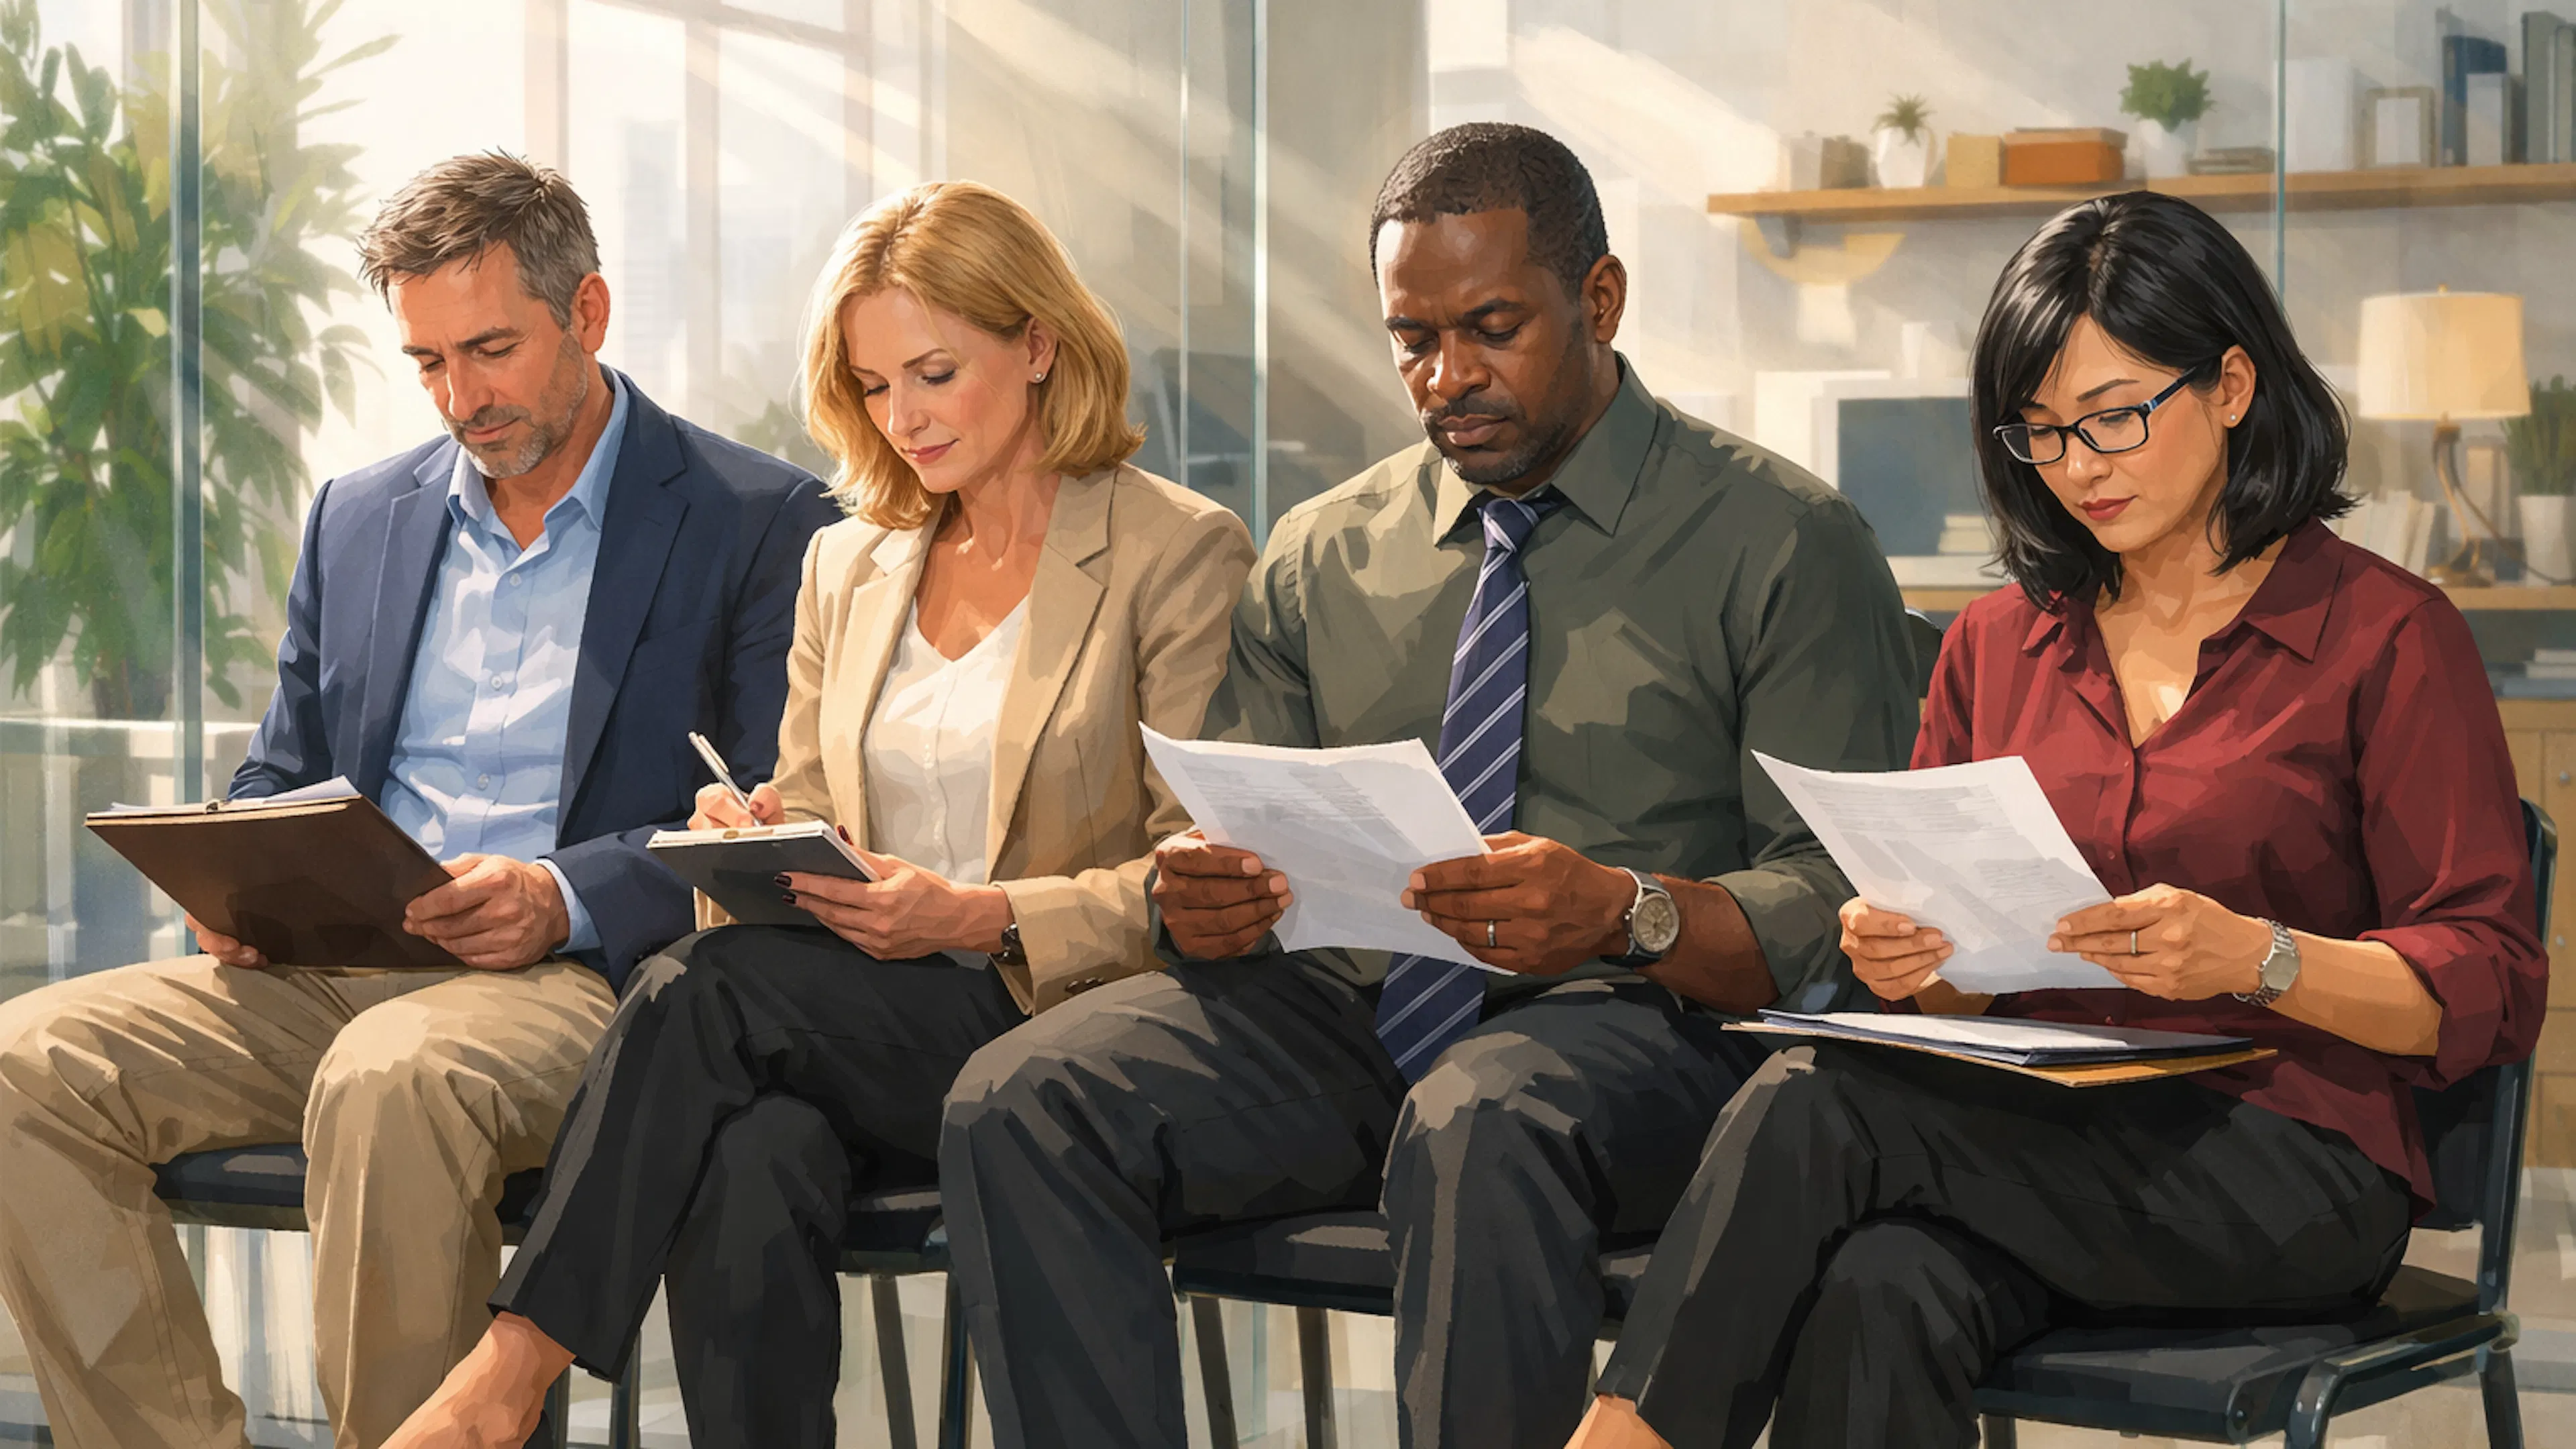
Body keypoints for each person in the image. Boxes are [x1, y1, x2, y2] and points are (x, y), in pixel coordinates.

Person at [938, 122, 1921, 1449]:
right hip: (1354, 1018)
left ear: (1601, 300)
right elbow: (1238, 836)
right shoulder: (1323, 554)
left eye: (1492, 328)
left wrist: (1628, 911)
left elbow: (1845, 902)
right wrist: (1207, 902)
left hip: (1650, 1039)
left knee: (1481, 1117)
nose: (1445, 376)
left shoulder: (1786, 542)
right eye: (1412, 339)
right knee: (1022, 1100)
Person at [1566, 191, 2548, 1449]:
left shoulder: (2388, 637)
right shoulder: (1993, 647)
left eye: (2115, 418)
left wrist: (2261, 958)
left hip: (2288, 1169)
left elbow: (2487, 984)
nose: (2080, 467)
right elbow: (1960, 995)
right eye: (2042, 435)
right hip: (2040, 1137)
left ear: (2233, 384)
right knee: (1882, 1288)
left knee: (1816, 1097)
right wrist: (1916, 963)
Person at [376, 180, 1257, 1449]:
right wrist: (755, 836)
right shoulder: (850, 561)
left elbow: (1201, 877)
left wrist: (982, 911)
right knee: (751, 1158)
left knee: (698, 990)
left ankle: (512, 1370)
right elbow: (821, 803)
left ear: (1040, 346)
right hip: (859, 1013)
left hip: (1058, 1025)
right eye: (875, 386)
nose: (902, 420)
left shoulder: (1178, 550)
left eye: (936, 374)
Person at [0, 153, 839, 1449]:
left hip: (583, 985)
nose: (463, 397)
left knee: (394, 1082)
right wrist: (242, 882)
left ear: (592, 313)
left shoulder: (759, 518)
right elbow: (282, 770)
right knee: (23, 1068)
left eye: (492, 350)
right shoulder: (358, 515)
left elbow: (771, 818)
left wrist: (560, 896)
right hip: (337, 962)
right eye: (430, 362)